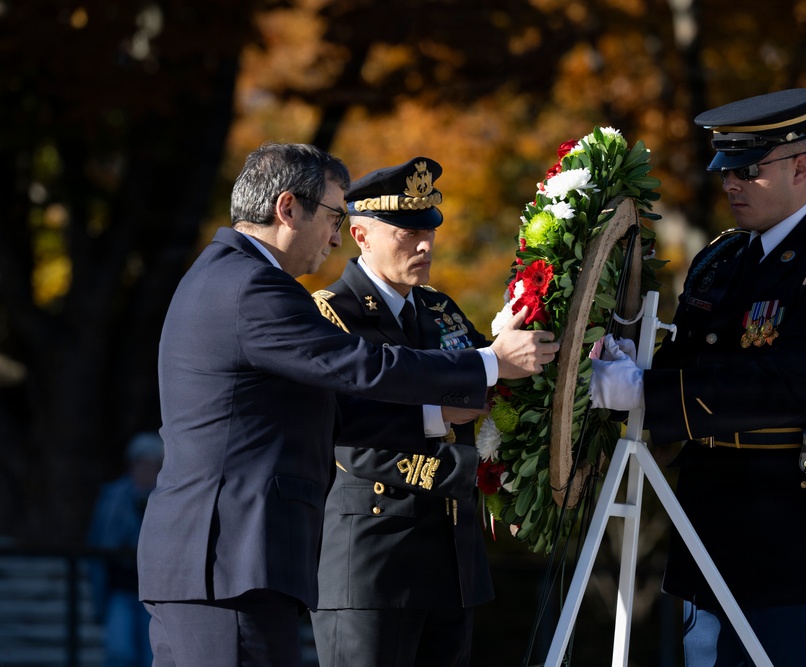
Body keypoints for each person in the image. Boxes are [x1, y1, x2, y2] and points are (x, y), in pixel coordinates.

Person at [136, 142, 559, 667]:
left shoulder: (225, 275)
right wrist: (487, 364)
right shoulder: (253, 286)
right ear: (288, 208)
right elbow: (363, 368)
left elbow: (337, 411)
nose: (337, 237)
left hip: (225, 557)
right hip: (231, 557)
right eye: (336, 216)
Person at [590, 89, 806, 666]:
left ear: (801, 167)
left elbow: (787, 387)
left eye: (748, 170)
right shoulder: (720, 259)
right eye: (725, 169)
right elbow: (693, 364)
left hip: (794, 527)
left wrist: (645, 393)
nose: (730, 183)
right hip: (708, 513)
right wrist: (636, 364)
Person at [309, 157, 492, 667]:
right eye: (407, 233)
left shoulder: (440, 309)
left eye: (429, 230)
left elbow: (494, 378)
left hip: (452, 559)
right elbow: (343, 429)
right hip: (374, 562)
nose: (425, 245)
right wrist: (436, 413)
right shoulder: (330, 315)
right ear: (361, 234)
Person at [87, 432, 163, 667]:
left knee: (150, 655)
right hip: (120, 587)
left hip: (154, 592)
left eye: (153, 464)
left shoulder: (166, 499)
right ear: (133, 464)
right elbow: (98, 543)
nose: (146, 469)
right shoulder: (113, 498)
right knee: (119, 652)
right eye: (142, 463)